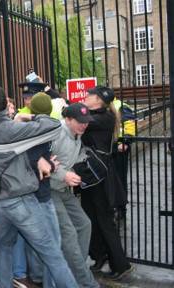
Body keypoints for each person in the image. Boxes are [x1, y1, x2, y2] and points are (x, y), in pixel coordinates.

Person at [0, 84, 77, 288]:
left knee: (3, 249)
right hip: (20, 200)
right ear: (6, 105)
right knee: (52, 253)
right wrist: (29, 116)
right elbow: (54, 126)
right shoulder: (12, 129)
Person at [80, 86, 133, 280]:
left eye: (90, 95)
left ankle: (121, 264)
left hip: (101, 176)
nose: (86, 96)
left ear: (99, 101)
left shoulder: (105, 118)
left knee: (104, 220)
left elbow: (76, 118)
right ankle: (99, 256)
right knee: (91, 217)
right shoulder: (95, 114)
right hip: (89, 175)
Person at [49, 103, 100, 288]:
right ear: (68, 119)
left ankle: (74, 266)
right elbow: (40, 161)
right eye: (80, 121)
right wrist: (64, 174)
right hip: (50, 191)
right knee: (69, 234)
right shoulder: (56, 133)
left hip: (63, 190)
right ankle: (86, 282)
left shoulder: (76, 135)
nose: (84, 125)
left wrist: (84, 160)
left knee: (84, 225)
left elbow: (69, 158)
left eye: (86, 121)